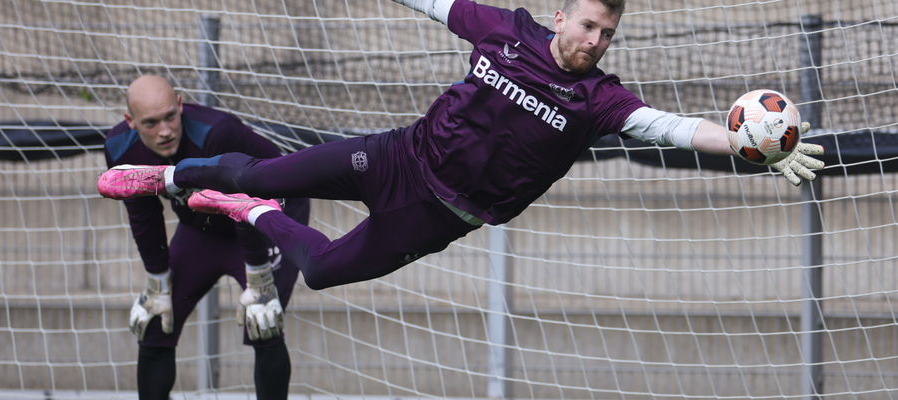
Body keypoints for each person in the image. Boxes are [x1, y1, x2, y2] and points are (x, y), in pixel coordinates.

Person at [97, 0, 824, 293]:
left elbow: (672, 128)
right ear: (563, 14)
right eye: (589, 25)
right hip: (395, 155)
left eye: (608, 34)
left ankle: (237, 208)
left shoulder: (601, 98)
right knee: (259, 168)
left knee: (316, 271)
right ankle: (165, 179)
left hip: (439, 215)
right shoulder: (503, 30)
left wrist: (745, 144)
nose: (595, 41)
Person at [102, 75, 309, 400]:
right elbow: (143, 214)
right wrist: (157, 280)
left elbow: (249, 199)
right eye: (151, 123)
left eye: (170, 116)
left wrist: (259, 278)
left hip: (266, 219)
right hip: (203, 229)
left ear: (181, 105)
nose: (165, 130)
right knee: (157, 320)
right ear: (130, 122)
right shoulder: (120, 148)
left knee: (263, 321)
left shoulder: (217, 133)